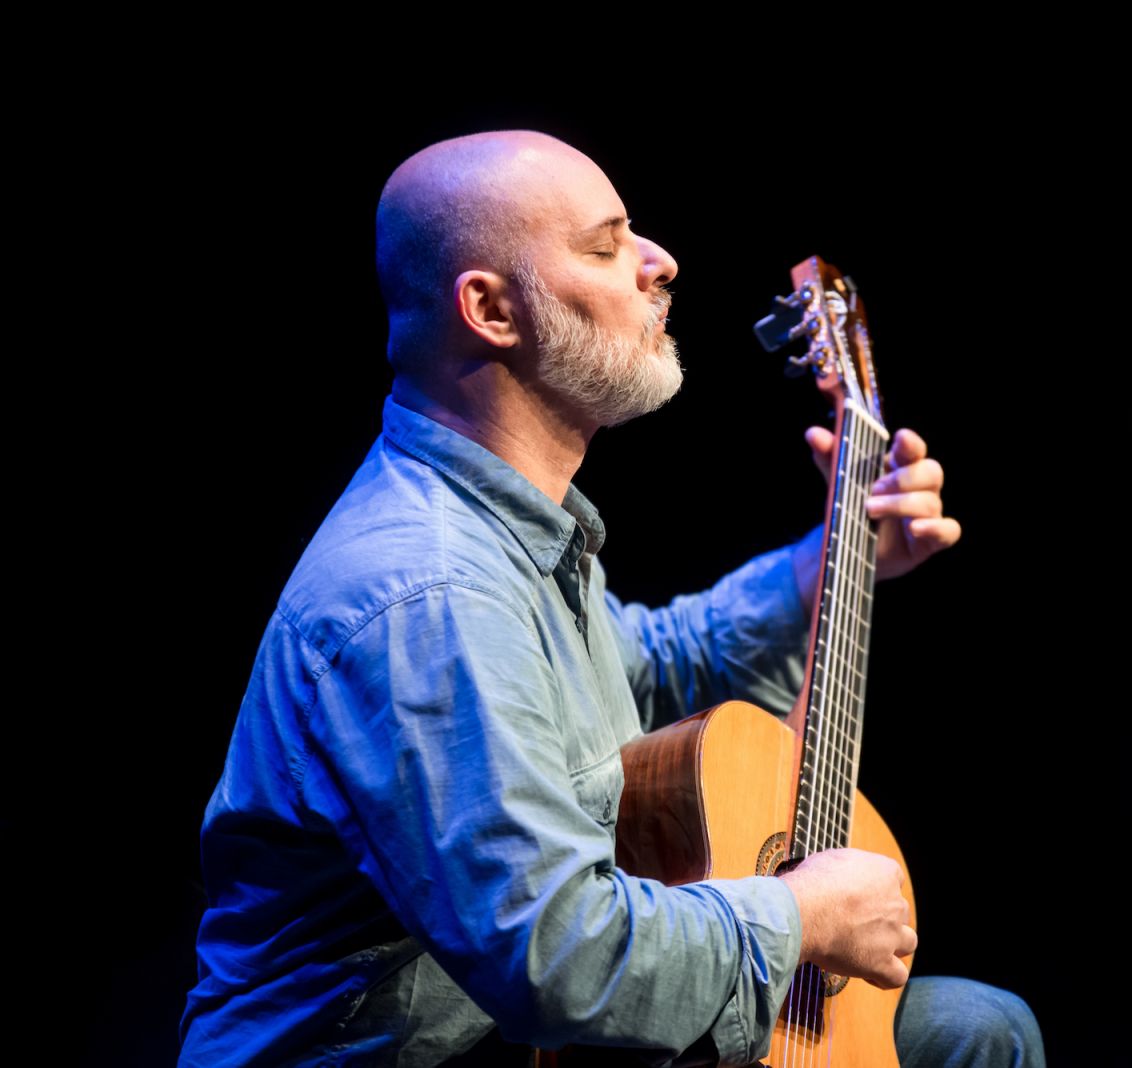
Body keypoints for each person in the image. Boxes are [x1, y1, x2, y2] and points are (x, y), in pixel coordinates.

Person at [179, 130, 1042, 1066]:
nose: (660, 262)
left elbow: (651, 665)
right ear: (491, 310)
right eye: (604, 246)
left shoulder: (515, 533)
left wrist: (825, 565)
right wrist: (796, 912)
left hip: (536, 1043)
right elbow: (559, 958)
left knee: (973, 1030)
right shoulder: (428, 596)